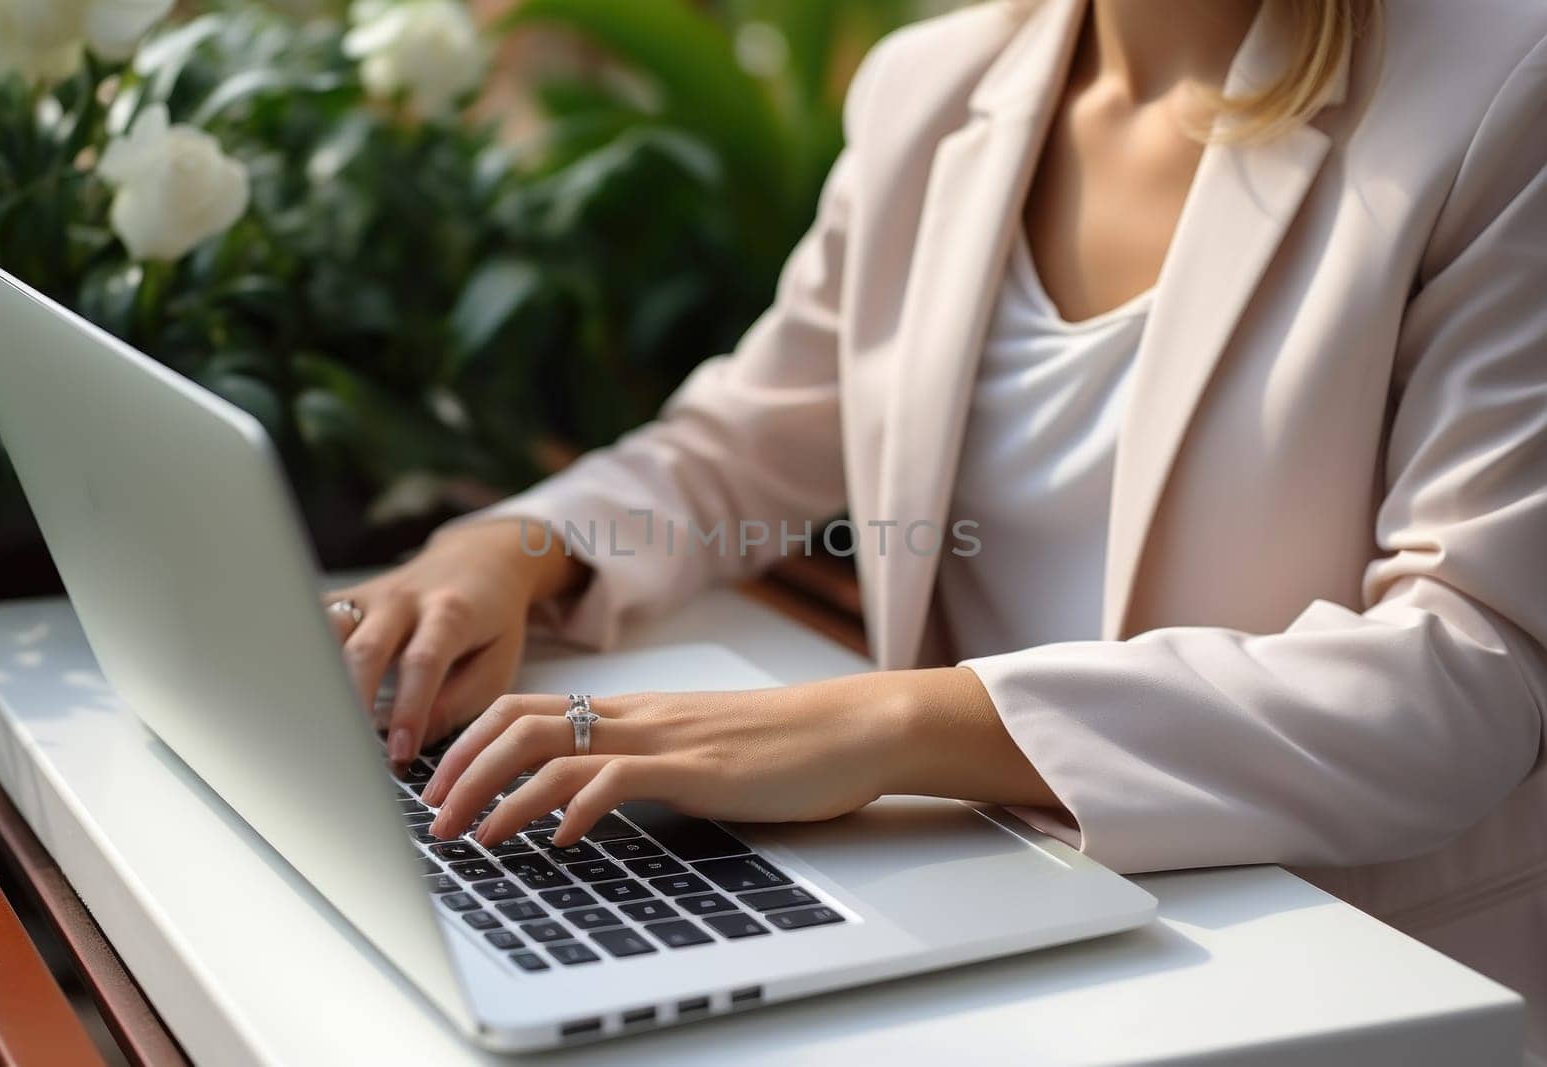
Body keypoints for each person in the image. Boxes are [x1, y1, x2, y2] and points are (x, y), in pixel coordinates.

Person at [325, 0, 1547, 1051]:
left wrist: (887, 722)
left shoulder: (1500, 89)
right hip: (992, 911)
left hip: (1344, 968)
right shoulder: (936, 88)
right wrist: (512, 548)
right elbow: (743, 440)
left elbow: (1465, 676)